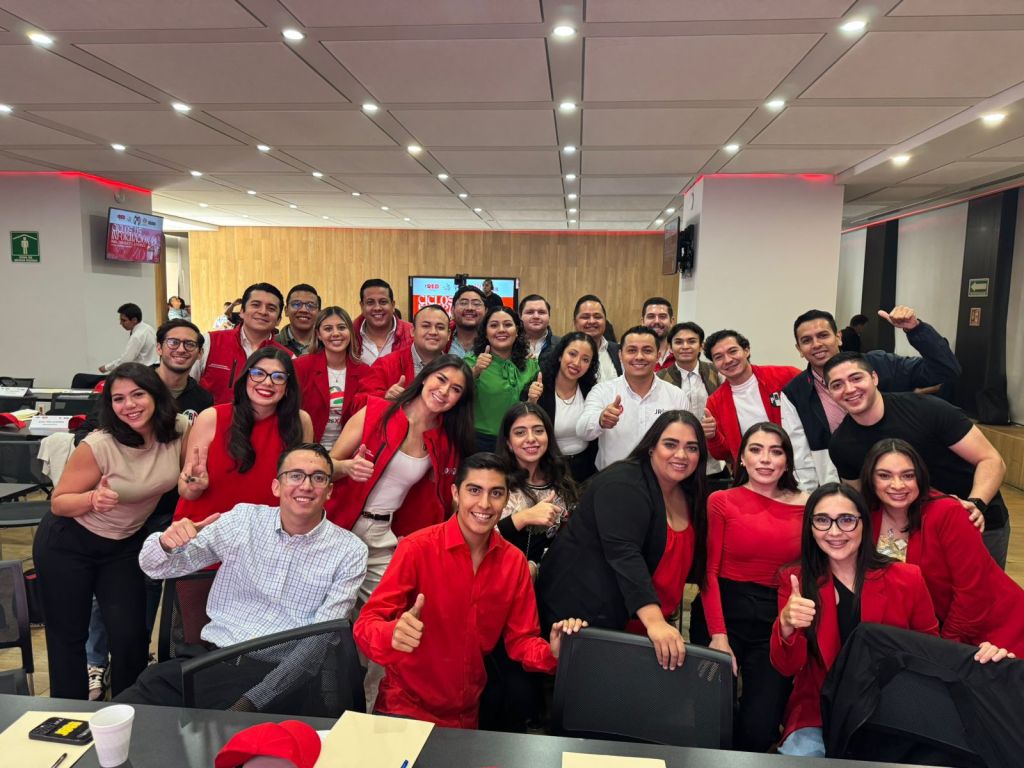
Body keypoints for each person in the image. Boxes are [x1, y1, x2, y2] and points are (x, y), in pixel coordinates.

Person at [116, 444, 368, 709]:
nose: (306, 486)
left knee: (222, 732)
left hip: (282, 678)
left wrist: (253, 700)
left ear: (329, 490)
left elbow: (317, 644)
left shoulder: (349, 551)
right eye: (295, 475)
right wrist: (166, 544)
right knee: (129, 708)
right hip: (211, 660)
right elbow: (155, 568)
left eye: (318, 477)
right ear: (276, 486)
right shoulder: (243, 520)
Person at [353, 452, 586, 728]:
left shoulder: (514, 563)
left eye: (496, 493)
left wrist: (554, 654)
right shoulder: (416, 549)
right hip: (405, 707)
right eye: (474, 490)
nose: (484, 504)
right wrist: (392, 633)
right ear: (455, 493)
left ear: (506, 500)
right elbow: (366, 625)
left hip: (466, 714)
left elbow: (521, 640)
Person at [74, 319, 213, 700]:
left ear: (199, 352)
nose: (181, 349)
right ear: (160, 346)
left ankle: (135, 662)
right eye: (174, 342)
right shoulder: (129, 383)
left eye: (190, 344)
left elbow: (193, 459)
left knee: (147, 589)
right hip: (114, 511)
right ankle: (95, 662)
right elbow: (89, 433)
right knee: (107, 595)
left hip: (164, 509)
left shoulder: (201, 401)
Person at [34, 363, 189, 699]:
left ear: (156, 395)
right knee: (68, 636)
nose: (129, 405)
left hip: (124, 543)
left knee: (130, 635)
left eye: (137, 394)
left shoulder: (178, 429)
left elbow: (188, 477)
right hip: (69, 543)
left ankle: (130, 708)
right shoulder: (99, 444)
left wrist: (195, 482)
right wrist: (93, 498)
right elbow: (59, 502)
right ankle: (70, 713)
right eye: (118, 399)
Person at [770, 484, 940, 757]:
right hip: (819, 708)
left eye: (846, 520)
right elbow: (786, 667)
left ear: (864, 523)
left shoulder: (907, 578)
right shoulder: (796, 579)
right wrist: (786, 626)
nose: (834, 532)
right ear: (810, 527)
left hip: (890, 707)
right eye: (822, 520)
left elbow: (929, 652)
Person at [537, 411, 706, 665]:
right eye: (670, 444)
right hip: (588, 618)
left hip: (642, 621)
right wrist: (655, 621)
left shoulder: (688, 491)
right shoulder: (623, 483)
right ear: (651, 447)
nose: (681, 455)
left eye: (691, 448)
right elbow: (624, 554)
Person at [824, 352, 1010, 567]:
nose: (849, 389)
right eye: (837, 385)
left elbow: (990, 459)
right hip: (911, 535)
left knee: (979, 587)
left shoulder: (928, 409)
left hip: (977, 522)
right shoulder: (842, 444)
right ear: (829, 393)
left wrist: (975, 503)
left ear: (874, 378)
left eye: (856, 378)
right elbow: (861, 500)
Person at [692, 422, 808, 752]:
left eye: (776, 451)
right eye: (756, 450)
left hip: (776, 619)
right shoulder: (721, 500)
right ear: (742, 458)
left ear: (787, 460)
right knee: (710, 720)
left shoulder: (808, 506)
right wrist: (718, 635)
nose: (765, 459)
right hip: (721, 612)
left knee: (760, 730)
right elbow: (708, 573)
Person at [861, 440, 1024, 654]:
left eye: (908, 475)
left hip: (994, 629)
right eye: (884, 475)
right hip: (931, 630)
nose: (898, 485)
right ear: (870, 479)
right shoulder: (867, 516)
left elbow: (973, 592)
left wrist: (945, 646)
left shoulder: (948, 512)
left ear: (920, 477)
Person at [328, 354, 475, 591]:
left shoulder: (446, 441)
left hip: (382, 534)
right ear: (425, 377)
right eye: (441, 379)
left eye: (456, 389)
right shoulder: (375, 411)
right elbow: (325, 468)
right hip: (338, 525)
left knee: (388, 606)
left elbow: (440, 501)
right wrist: (347, 467)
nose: (444, 391)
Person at [782, 307, 961, 492]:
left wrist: (916, 329)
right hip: (853, 485)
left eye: (823, 335)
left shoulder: (879, 365)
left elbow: (945, 370)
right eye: (807, 340)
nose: (816, 344)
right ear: (799, 349)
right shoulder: (796, 393)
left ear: (839, 337)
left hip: (915, 478)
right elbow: (800, 455)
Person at [175, 348, 313, 524]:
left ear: (288, 386)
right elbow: (185, 490)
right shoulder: (211, 418)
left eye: (278, 377)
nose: (267, 382)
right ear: (245, 378)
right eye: (258, 374)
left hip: (267, 529)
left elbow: (301, 483)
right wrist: (193, 486)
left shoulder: (301, 421)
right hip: (206, 526)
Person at [577, 326, 688, 470]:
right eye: (632, 350)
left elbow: (686, 438)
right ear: (620, 355)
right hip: (613, 477)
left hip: (662, 477)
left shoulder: (676, 395)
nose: (639, 357)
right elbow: (582, 431)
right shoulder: (602, 391)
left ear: (658, 355)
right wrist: (600, 420)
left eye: (647, 351)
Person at [495, 403, 578, 569]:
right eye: (520, 433)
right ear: (509, 443)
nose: (531, 438)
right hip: (500, 573)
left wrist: (536, 566)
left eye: (538, 431)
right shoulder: (494, 483)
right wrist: (524, 517)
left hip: (546, 575)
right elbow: (476, 538)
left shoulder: (560, 480)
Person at [702, 329, 800, 467]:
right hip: (752, 472)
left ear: (746, 350)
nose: (728, 360)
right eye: (718, 357)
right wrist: (712, 436)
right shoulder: (715, 402)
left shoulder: (786, 376)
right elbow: (723, 454)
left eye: (733, 351)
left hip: (799, 465)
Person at [658, 321, 730, 490]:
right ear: (670, 348)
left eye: (691, 341)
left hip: (713, 461)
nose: (685, 346)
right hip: (676, 457)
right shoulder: (659, 378)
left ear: (701, 346)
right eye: (678, 342)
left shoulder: (717, 372)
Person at [194, 283, 293, 405]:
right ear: (241, 312)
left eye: (271, 308)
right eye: (256, 305)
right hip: (212, 416)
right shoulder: (209, 342)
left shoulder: (289, 358)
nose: (263, 312)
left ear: (278, 320)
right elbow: (187, 386)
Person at [527, 331, 599, 481]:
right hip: (548, 466)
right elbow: (525, 425)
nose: (577, 363)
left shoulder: (592, 390)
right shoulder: (539, 386)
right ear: (560, 355)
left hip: (586, 467)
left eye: (585, 359)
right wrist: (531, 401)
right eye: (572, 354)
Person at [465, 306, 539, 452]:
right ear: (486, 333)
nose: (501, 330)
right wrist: (476, 371)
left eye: (507, 325)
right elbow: (459, 397)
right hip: (481, 443)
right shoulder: (471, 362)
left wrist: (533, 400)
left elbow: (534, 407)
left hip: (521, 440)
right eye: (494, 325)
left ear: (517, 331)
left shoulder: (531, 364)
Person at [293, 306, 367, 450]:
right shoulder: (301, 366)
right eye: (328, 329)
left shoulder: (365, 371)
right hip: (306, 449)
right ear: (319, 335)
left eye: (341, 327)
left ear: (350, 332)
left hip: (349, 452)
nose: (336, 333)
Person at [357, 304, 450, 406]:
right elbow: (357, 403)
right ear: (412, 331)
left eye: (440, 327)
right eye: (426, 326)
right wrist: (384, 397)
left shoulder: (455, 370)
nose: (433, 332)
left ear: (448, 334)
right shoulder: (386, 364)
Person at [353, 278, 413, 365]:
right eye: (370, 302)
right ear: (362, 306)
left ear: (393, 305)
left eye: (383, 302)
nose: (377, 308)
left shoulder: (413, 334)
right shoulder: (350, 335)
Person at [573, 294, 621, 381]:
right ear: (575, 322)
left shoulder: (618, 351)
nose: (592, 321)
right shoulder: (565, 353)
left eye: (597, 317)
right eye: (585, 317)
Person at [100, 302, 158, 373]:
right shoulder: (148, 328)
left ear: (134, 320)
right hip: (154, 368)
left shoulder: (137, 335)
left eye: (124, 320)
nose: (120, 323)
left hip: (144, 371)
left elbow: (126, 360)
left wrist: (106, 367)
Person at [275, 283, 320, 356]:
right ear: (286, 310)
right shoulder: (272, 344)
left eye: (311, 305)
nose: (304, 310)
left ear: (319, 313)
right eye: (296, 304)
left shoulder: (326, 344)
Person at [449, 284, 486, 358]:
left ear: (486, 311)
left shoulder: (493, 343)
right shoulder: (442, 341)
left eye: (476, 304)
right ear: (452, 310)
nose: (470, 308)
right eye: (463, 303)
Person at [519, 294, 558, 360]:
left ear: (549, 316)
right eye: (530, 312)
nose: (536, 316)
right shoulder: (510, 345)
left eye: (541, 312)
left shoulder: (562, 345)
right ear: (520, 316)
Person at [641, 297, 675, 371]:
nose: (657, 321)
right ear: (643, 321)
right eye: (651, 316)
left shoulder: (680, 353)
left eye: (662, 316)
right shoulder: (631, 354)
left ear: (671, 321)